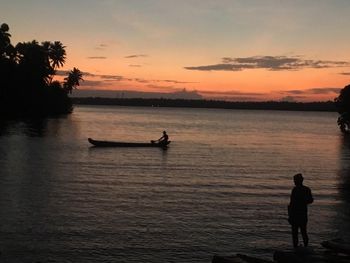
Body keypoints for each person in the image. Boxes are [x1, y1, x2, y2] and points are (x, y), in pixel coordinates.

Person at [288, 173, 313, 248]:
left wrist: (290, 215)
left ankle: (296, 248)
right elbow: (310, 200)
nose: (294, 182)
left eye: (295, 180)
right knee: (303, 232)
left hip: (296, 215)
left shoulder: (295, 190)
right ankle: (305, 247)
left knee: (296, 233)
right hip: (302, 214)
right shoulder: (306, 189)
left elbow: (291, 204)